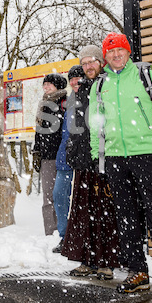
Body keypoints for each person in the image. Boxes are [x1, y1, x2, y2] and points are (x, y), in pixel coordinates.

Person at [88, 33, 152, 303]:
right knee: (126, 217)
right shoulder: (100, 85)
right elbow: (95, 125)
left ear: (128, 52)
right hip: (116, 158)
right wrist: (100, 160)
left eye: (120, 50)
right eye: (110, 52)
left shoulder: (145, 74)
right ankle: (138, 272)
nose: (116, 55)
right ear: (104, 57)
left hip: (146, 154)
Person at [61, 46, 120, 281]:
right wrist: (73, 150)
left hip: (105, 158)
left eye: (92, 61)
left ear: (101, 61)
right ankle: (87, 259)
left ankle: (106, 262)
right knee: (84, 213)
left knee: (106, 212)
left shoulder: (109, 84)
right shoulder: (81, 89)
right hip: (84, 160)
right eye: (84, 63)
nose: (88, 67)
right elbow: (77, 126)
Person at [51, 66, 83, 253]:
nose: (74, 82)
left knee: (80, 200)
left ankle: (80, 238)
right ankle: (65, 236)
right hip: (65, 157)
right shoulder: (69, 100)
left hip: (84, 158)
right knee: (59, 195)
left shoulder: (90, 97)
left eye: (77, 77)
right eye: (71, 79)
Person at [32, 73, 67, 237]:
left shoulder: (64, 103)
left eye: (49, 84)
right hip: (47, 158)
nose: (46, 87)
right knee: (47, 196)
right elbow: (39, 133)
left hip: (63, 157)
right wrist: (36, 151)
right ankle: (50, 232)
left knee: (60, 195)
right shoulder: (43, 105)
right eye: (44, 84)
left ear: (58, 86)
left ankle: (63, 231)